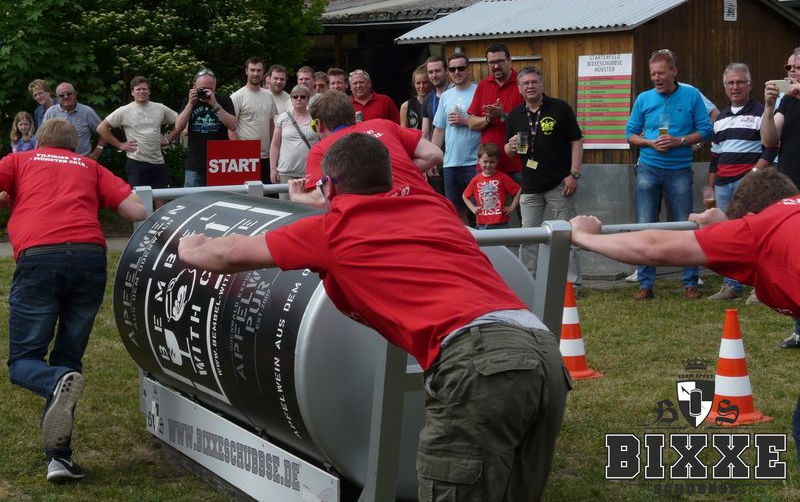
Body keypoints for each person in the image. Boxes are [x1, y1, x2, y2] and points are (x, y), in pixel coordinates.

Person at [179, 132, 570, 502]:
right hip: (542, 350)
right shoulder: (433, 206)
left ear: (328, 187)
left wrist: (190, 247)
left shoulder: (333, 230)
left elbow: (228, 253)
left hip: (477, 361)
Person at [569, 167, 800, 462]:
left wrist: (583, 236)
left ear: (751, 218)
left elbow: (653, 248)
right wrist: (725, 228)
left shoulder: (761, 228)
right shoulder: (786, 218)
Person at [0, 118, 146, 483]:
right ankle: (59, 459)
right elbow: (136, 211)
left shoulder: (18, 161)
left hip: (40, 258)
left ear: (38, 143)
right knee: (67, 361)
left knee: (23, 361)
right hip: (89, 258)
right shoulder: (89, 166)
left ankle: (55, 385)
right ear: (75, 147)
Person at [625, 49, 712, 300]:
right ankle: (645, 283)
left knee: (686, 225)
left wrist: (680, 141)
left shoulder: (691, 95)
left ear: (674, 72)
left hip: (679, 169)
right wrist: (649, 143)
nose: (656, 78)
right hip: (648, 167)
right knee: (645, 225)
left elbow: (706, 130)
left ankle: (690, 282)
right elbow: (630, 134)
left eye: (661, 73)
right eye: (653, 74)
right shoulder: (644, 98)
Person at [289, 90, 442, 208]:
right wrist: (402, 171)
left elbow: (323, 198)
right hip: (430, 204)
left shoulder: (321, 149)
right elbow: (434, 154)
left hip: (386, 214)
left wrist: (297, 196)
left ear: (319, 124)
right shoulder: (383, 124)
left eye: (313, 126)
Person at [505, 66, 583, 286]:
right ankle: (528, 284)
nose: (530, 86)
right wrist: (510, 146)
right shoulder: (514, 115)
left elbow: (577, 141)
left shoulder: (560, 108)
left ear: (541, 85)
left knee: (566, 236)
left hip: (560, 184)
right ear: (519, 88)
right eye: (525, 83)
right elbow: (508, 151)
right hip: (530, 185)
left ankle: (571, 285)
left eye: (534, 82)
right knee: (528, 238)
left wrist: (574, 174)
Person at [705, 63, 776, 300]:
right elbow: (715, 155)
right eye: (730, 83)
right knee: (729, 236)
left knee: (756, 234)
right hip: (722, 185)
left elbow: (771, 149)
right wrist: (710, 186)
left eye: (740, 82)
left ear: (750, 85)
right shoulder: (720, 118)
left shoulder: (761, 113)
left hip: (750, 183)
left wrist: (753, 175)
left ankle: (760, 286)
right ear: (725, 87)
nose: (735, 87)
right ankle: (732, 285)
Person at [762, 71, 800, 347]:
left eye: (797, 66)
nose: (792, 72)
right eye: (789, 67)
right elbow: (768, 140)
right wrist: (767, 107)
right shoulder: (787, 102)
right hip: (792, 189)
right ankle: (799, 330)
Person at [96, 76, 178, 190]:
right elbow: (101, 128)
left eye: (144, 89)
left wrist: (169, 138)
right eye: (138, 89)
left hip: (158, 162)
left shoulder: (160, 108)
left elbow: (180, 121)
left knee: (161, 196)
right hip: (136, 162)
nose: (141, 92)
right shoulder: (124, 110)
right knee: (140, 197)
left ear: (149, 91)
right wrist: (119, 144)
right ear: (132, 92)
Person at [432, 52, 481, 224]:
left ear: (469, 69)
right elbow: (439, 129)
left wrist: (465, 121)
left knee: (482, 210)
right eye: (452, 69)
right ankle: (467, 241)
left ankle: (486, 242)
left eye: (461, 68)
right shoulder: (446, 96)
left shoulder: (479, 91)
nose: (457, 72)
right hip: (451, 164)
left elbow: (489, 121)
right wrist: (433, 159)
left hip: (477, 163)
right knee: (457, 212)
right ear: (448, 72)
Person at [468, 42, 524, 184]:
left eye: (500, 61)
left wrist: (503, 116)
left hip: (517, 165)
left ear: (510, 60)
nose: (496, 66)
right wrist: (489, 119)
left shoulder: (523, 84)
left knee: (520, 199)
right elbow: (471, 124)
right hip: (488, 166)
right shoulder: (483, 85)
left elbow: (532, 121)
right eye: (491, 62)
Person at [171, 68, 237, 187]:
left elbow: (232, 126)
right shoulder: (189, 101)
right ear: (194, 87)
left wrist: (215, 104)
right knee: (193, 198)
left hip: (220, 164)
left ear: (215, 88)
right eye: (202, 88)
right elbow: (179, 126)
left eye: (210, 89)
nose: (206, 92)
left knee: (221, 197)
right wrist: (190, 104)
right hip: (195, 164)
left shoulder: (224, 100)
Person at [229, 56, 277, 184]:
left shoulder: (269, 96)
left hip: (267, 156)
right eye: (252, 70)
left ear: (263, 72)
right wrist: (241, 154)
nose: (255, 74)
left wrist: (274, 150)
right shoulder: (237, 97)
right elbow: (231, 129)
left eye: (259, 70)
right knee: (247, 194)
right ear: (246, 71)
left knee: (268, 193)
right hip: (246, 159)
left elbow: (272, 125)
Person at [269, 85, 318, 199]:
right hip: (286, 172)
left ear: (308, 99)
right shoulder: (283, 118)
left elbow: (323, 142)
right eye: (295, 97)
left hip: (309, 172)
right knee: (285, 205)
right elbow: (275, 145)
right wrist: (273, 169)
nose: (299, 99)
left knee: (308, 205)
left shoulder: (316, 118)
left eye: (302, 96)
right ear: (291, 99)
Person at [462, 142, 521, 229]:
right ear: (478, 161)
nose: (488, 165)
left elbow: (518, 190)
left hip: (501, 223)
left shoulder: (502, 177)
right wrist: (472, 208)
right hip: (482, 223)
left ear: (497, 161)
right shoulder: (476, 180)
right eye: (485, 161)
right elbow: (465, 195)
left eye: (492, 162)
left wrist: (512, 207)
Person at [42, 82, 105, 159]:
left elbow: (104, 131)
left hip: (81, 160)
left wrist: (98, 151)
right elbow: (42, 137)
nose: (65, 97)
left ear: (75, 94)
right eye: (62, 95)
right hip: (56, 160)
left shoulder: (87, 112)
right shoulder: (51, 112)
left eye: (69, 94)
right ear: (57, 97)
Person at [421, 56, 450, 196]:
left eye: (437, 71)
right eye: (430, 72)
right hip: (438, 159)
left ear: (446, 71)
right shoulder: (428, 99)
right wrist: (428, 161)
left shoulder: (456, 93)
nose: (434, 75)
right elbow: (425, 133)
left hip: (459, 158)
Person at [400, 64, 430, 130]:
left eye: (425, 82)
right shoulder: (406, 106)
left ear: (430, 83)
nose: (421, 86)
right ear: (414, 84)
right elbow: (403, 132)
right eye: (418, 83)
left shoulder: (437, 102)